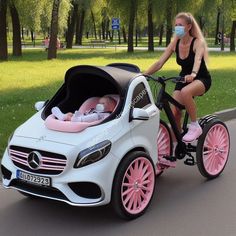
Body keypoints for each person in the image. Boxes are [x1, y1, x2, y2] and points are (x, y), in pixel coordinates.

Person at [145, 12, 211, 143]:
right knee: (175, 112)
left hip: (201, 78)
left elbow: (198, 60)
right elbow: (159, 63)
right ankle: (177, 143)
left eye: (180, 25)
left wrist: (192, 74)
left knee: (186, 92)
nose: (177, 28)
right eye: (176, 25)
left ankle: (194, 126)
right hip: (183, 79)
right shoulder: (175, 43)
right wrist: (143, 75)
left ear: (189, 26)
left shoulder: (198, 42)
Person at [51, 96, 117, 123]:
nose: (99, 105)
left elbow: (93, 118)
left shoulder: (106, 114)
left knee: (95, 116)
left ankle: (66, 118)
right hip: (83, 117)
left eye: (103, 103)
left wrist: (73, 119)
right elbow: (87, 114)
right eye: (99, 103)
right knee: (70, 113)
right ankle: (63, 116)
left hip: (84, 120)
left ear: (111, 107)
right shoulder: (97, 111)